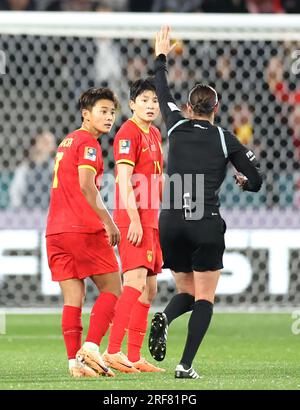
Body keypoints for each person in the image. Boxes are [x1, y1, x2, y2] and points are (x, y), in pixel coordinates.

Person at [148, 27, 263, 379]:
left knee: (184, 288)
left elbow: (161, 88)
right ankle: (185, 365)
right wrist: (244, 181)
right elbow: (256, 180)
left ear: (187, 108)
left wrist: (161, 57)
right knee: (204, 297)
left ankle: (164, 317)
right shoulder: (225, 138)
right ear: (216, 108)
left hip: (170, 220)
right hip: (204, 220)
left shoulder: (174, 124)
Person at [46, 87, 121, 378]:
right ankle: (91, 347)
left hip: (55, 231)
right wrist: (108, 221)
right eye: (103, 111)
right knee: (113, 288)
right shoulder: (88, 143)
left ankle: (74, 365)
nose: (109, 117)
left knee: (73, 297)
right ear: (85, 114)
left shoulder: (66, 142)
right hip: (82, 228)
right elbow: (86, 185)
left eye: (112, 112)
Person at [102, 78, 165, 373]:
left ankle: (134, 355)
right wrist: (136, 220)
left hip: (151, 221)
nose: (151, 105)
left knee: (149, 290)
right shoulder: (127, 133)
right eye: (144, 101)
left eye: (154, 101)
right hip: (133, 220)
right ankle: (112, 351)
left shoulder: (153, 133)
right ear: (131, 105)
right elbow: (125, 180)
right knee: (134, 283)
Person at [9, 131, 56, 210]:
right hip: (27, 211)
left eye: (48, 143)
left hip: (48, 212)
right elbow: (15, 192)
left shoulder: (54, 167)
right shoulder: (25, 167)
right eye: (43, 142)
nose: (45, 146)